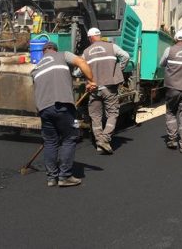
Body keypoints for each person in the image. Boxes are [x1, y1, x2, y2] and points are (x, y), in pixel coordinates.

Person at [32, 41, 97, 187]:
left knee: (50, 142)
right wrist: (91, 81)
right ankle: (65, 176)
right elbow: (81, 61)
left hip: (44, 109)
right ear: (55, 49)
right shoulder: (62, 55)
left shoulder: (36, 68)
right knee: (70, 137)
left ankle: (51, 177)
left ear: (43, 52)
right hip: (63, 106)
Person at [82, 27, 130, 155]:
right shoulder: (111, 47)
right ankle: (105, 139)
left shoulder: (86, 52)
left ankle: (99, 143)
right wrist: (119, 69)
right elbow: (126, 56)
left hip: (94, 89)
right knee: (112, 113)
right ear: (99, 35)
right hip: (110, 88)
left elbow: (78, 69)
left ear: (90, 38)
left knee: (95, 116)